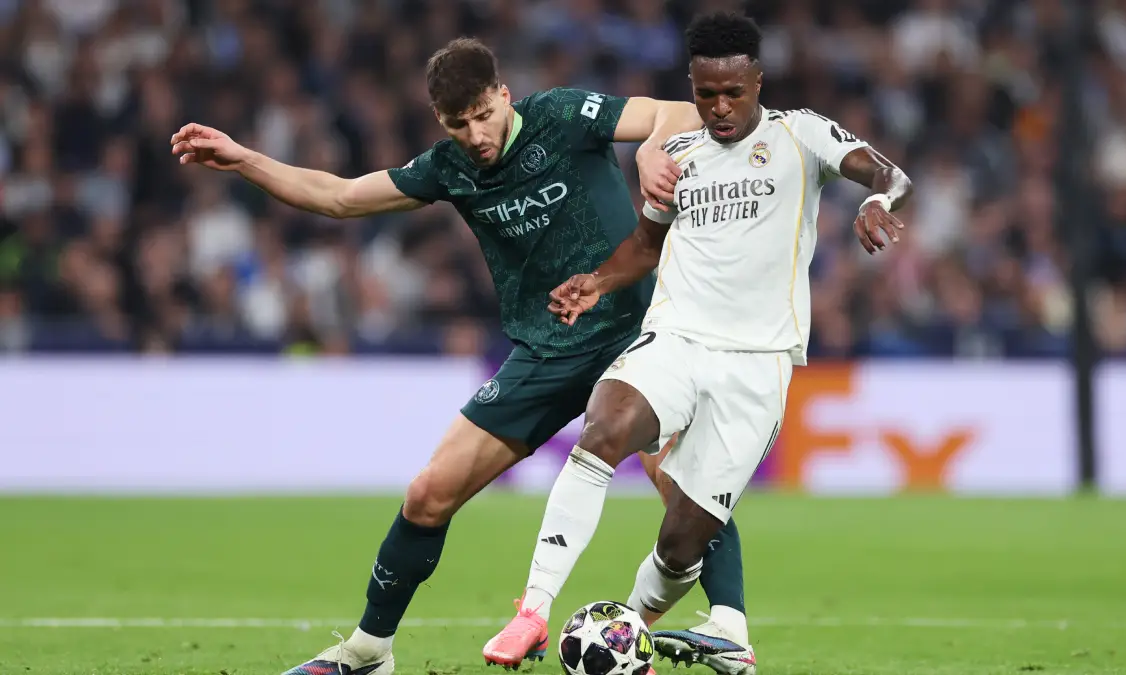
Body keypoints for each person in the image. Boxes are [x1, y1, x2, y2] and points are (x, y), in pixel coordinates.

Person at [169, 37, 752, 675]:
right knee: (427, 495)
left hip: (638, 335)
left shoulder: (562, 114)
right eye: (458, 123)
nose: (475, 134)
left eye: (483, 114)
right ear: (441, 122)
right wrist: (244, 158)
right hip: (547, 353)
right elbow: (337, 197)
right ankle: (368, 653)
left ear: (503, 96)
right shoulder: (449, 168)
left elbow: (680, 112)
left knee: (686, 489)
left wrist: (648, 153)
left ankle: (729, 632)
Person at [519, 11, 914, 674]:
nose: (721, 106)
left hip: (757, 365)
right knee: (606, 425)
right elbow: (645, 247)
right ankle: (531, 606)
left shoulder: (802, 134)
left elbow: (889, 175)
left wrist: (879, 204)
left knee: (681, 544)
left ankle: (641, 629)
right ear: (692, 86)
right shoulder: (678, 157)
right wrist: (596, 281)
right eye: (706, 93)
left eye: (734, 91)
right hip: (674, 339)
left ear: (758, 80)